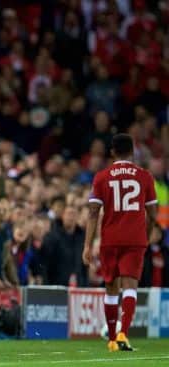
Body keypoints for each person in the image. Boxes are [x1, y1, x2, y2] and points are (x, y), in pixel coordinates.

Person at [83, 133, 157, 352]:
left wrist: (88, 244)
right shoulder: (145, 176)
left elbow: (93, 212)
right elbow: (152, 213)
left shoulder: (102, 177)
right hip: (135, 238)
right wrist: (147, 233)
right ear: (132, 151)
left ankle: (113, 339)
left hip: (110, 238)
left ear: (112, 152)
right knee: (130, 286)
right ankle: (124, 333)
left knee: (111, 288)